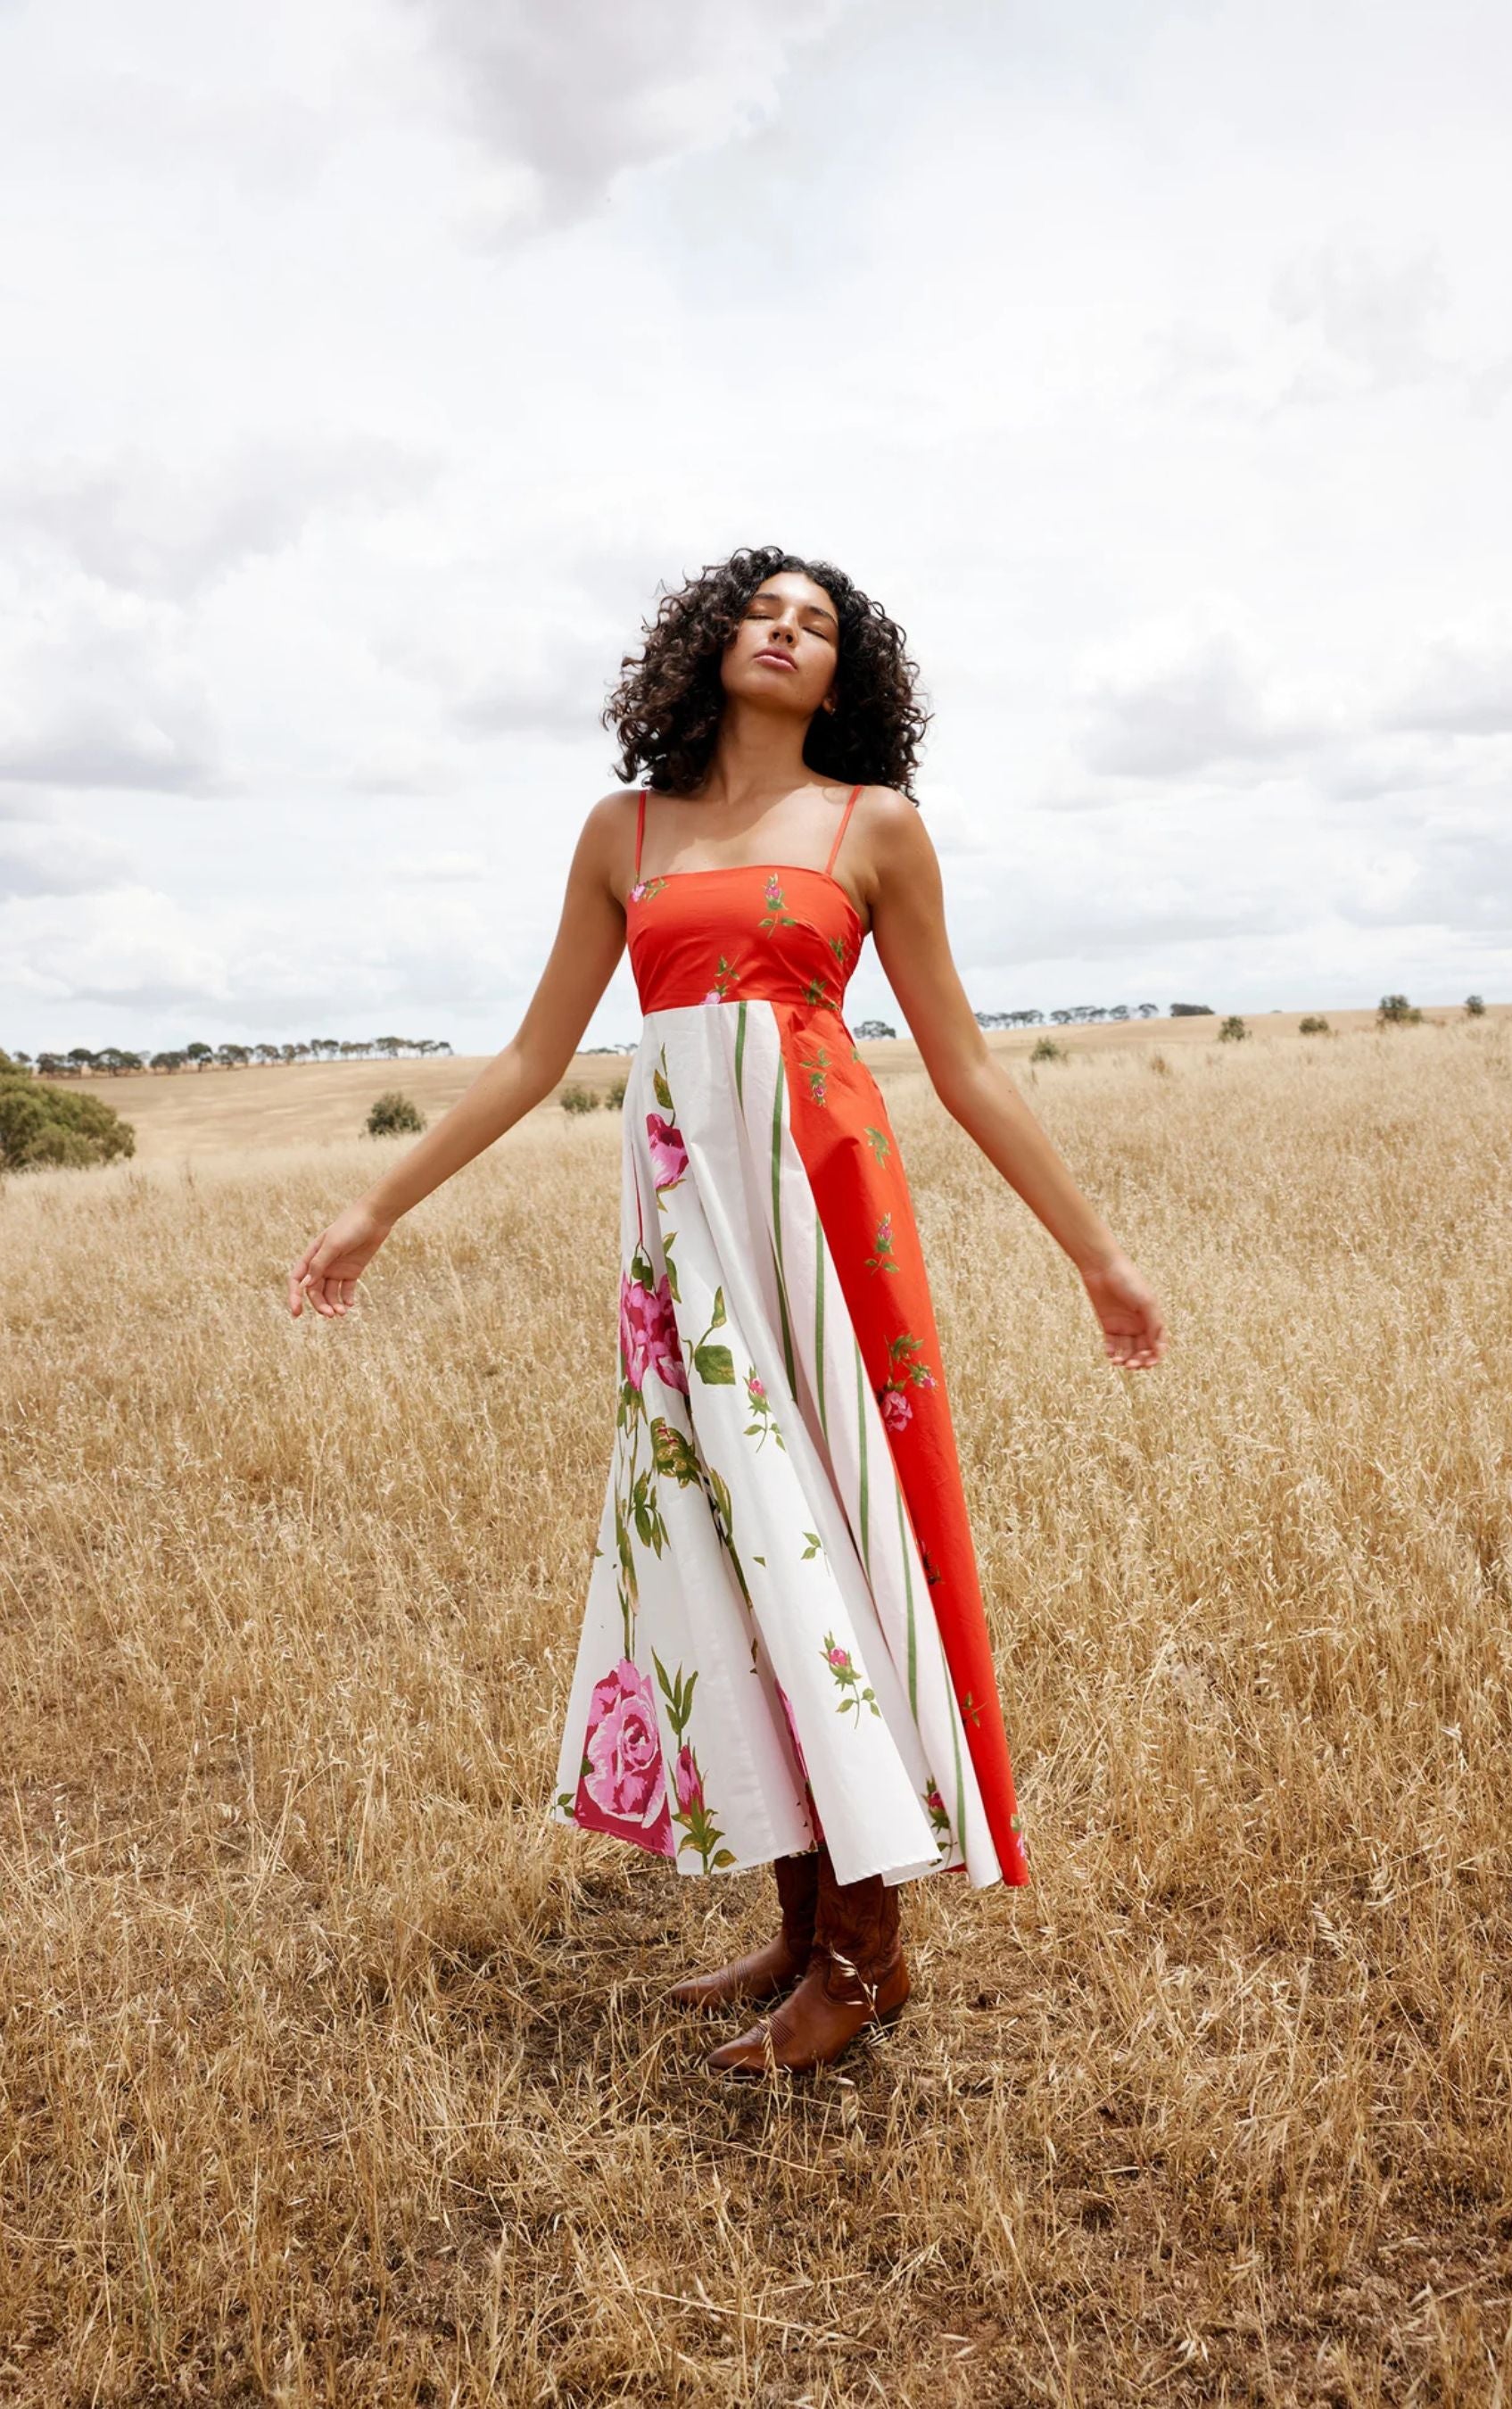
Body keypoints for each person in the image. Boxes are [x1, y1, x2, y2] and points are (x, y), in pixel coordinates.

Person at [287, 542, 1167, 2081]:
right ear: (707, 642)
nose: (785, 631)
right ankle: (803, 1919)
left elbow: (962, 1062)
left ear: (843, 675)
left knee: (827, 1536)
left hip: (824, 1220)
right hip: (682, 1228)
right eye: (761, 610)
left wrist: (1097, 1256)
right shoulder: (622, 832)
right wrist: (374, 1211)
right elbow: (534, 1055)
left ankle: (864, 1955)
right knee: (726, 1542)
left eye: (816, 623)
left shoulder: (873, 825)